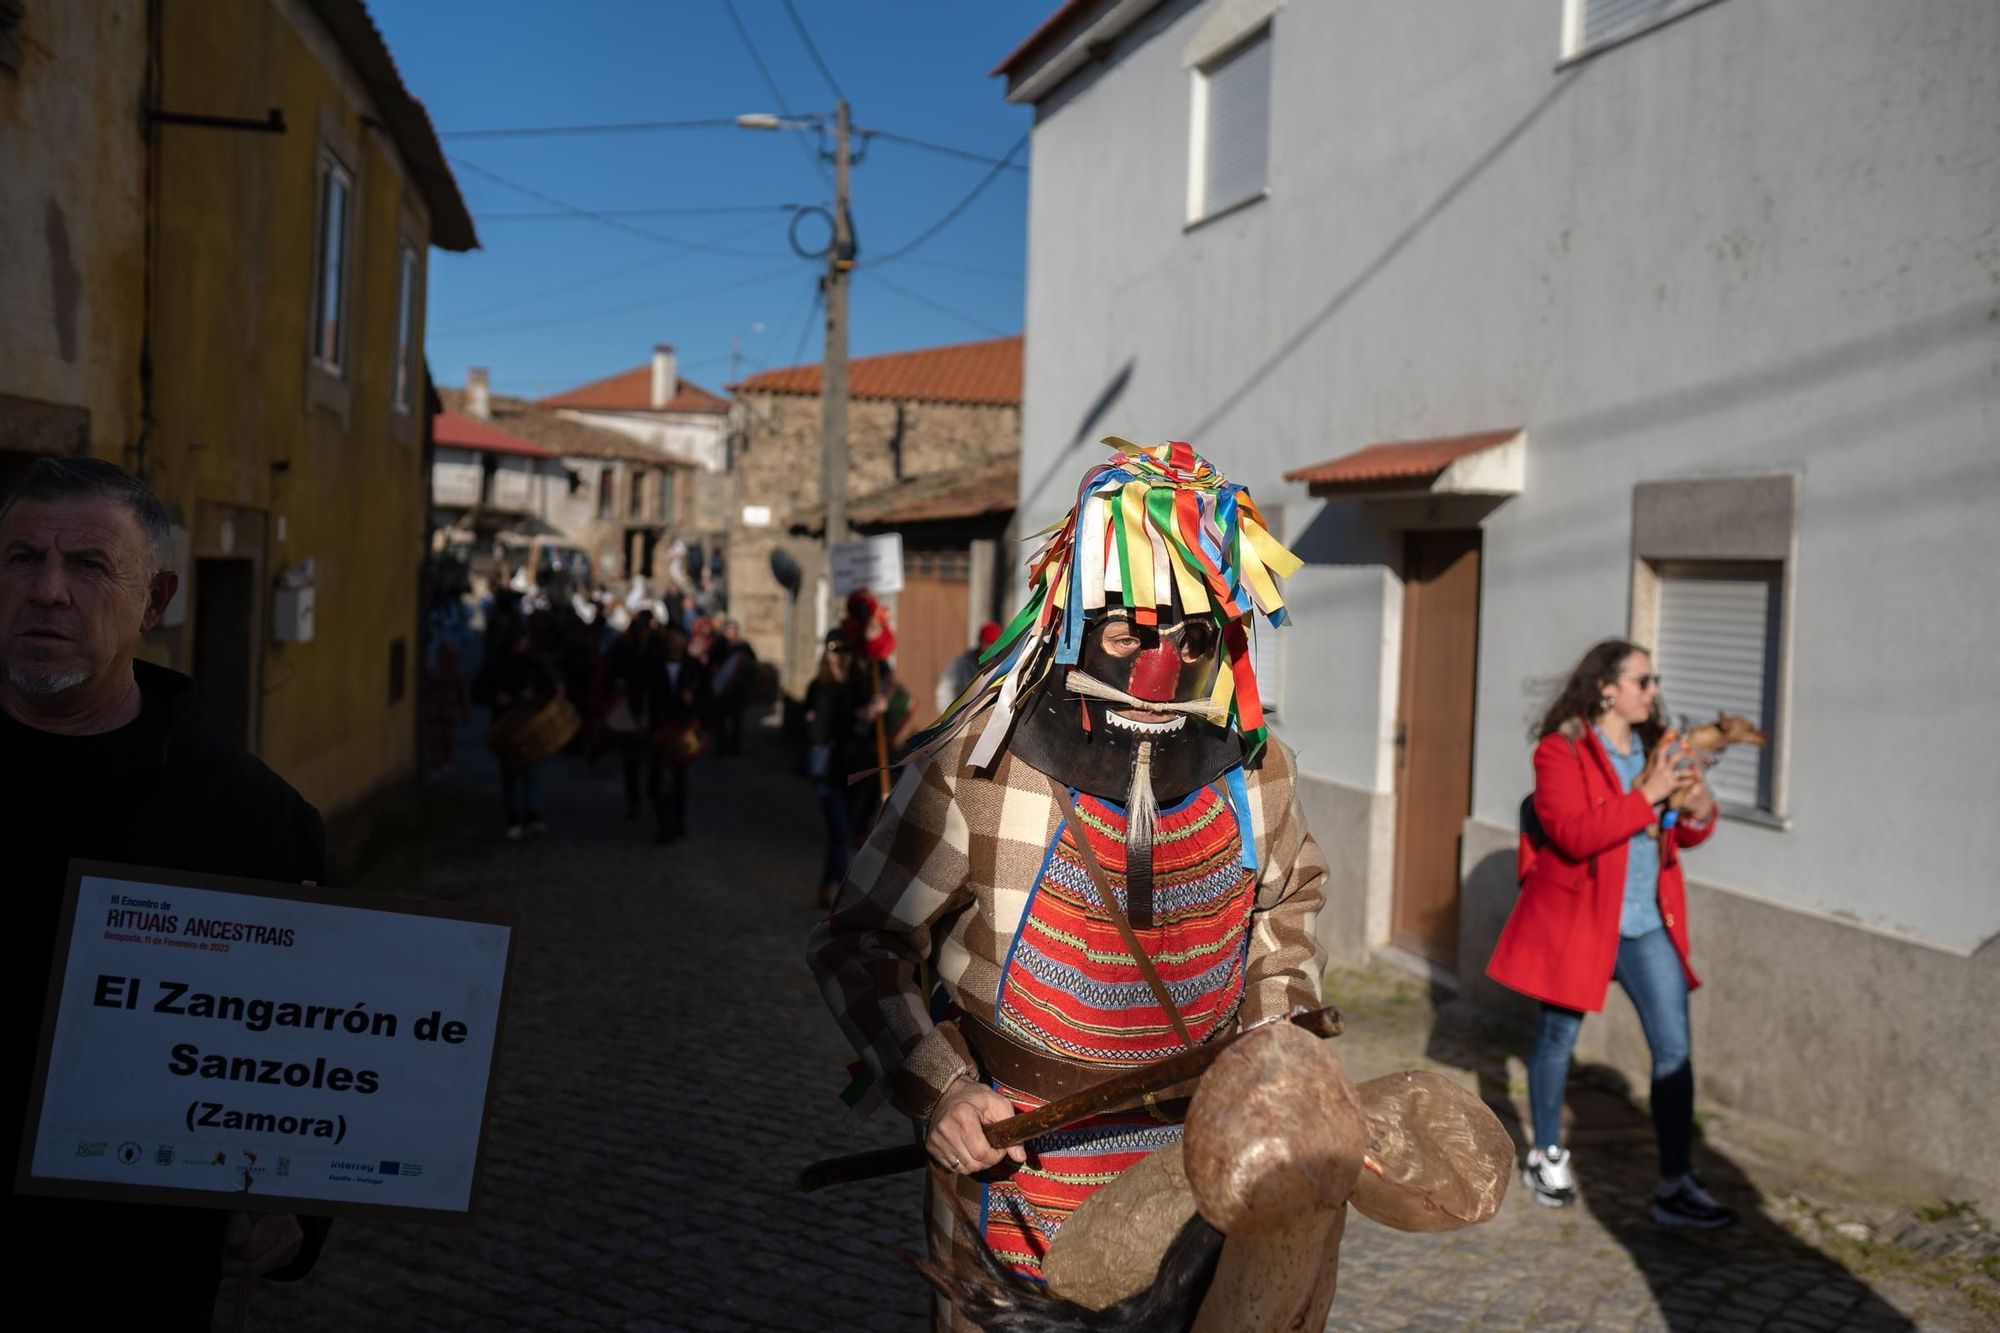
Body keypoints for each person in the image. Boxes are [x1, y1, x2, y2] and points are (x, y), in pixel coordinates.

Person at [807, 441, 1326, 1332]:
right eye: (1128, 630)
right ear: (1078, 616)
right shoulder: (980, 766)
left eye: (1190, 636)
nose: (1157, 666)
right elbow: (862, 940)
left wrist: (1276, 1069)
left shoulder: (1259, 767)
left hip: (1202, 1181)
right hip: (1013, 1186)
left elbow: (1285, 914)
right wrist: (941, 1088)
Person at [0, 458, 331, 1327]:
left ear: (155, 601)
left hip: (116, 1285)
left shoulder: (253, 822)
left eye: (90, 566)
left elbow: (312, 1049)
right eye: (21, 557)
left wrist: (289, 1210)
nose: (48, 591)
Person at [1487, 638, 1736, 1228]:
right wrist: (1646, 794)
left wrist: (1698, 808)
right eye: (1642, 681)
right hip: (1581, 921)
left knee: (1674, 1052)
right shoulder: (1560, 752)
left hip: (1647, 924)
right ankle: (1546, 1156)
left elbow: (1677, 834)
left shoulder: (1655, 748)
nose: (1653, 691)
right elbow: (1574, 835)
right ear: (1607, 688)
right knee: (1557, 1041)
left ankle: (1674, 1183)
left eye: (1652, 682)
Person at [803, 629, 875, 908]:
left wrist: (872, 712)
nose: (840, 655)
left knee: (841, 834)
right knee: (841, 832)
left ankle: (826, 887)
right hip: (828, 773)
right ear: (826, 651)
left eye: (845, 650)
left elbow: (866, 729)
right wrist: (852, 716)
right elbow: (818, 731)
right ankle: (842, 896)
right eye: (834, 648)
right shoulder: (818, 687)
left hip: (856, 772)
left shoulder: (859, 684)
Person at [480, 620, 556, 840]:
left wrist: (536, 695)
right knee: (511, 775)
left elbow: (548, 686)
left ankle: (533, 816)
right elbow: (481, 690)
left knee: (532, 773)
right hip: (506, 726)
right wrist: (498, 697)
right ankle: (513, 818)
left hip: (530, 724)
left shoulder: (533, 664)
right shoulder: (497, 664)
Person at [422, 638, 471, 779]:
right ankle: (439, 765)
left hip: (446, 710)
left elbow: (463, 693)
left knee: (445, 739)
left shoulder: (455, 673)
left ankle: (443, 764)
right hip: (438, 710)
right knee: (437, 739)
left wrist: (465, 709)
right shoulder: (436, 671)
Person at [708, 618, 758, 756]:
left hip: (737, 689)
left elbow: (752, 663)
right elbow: (712, 663)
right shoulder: (719, 645)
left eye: (734, 630)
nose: (732, 632)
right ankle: (721, 747)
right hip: (723, 689)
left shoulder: (743, 646)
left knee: (737, 720)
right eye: (729, 629)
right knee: (720, 720)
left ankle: (734, 748)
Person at [934, 620, 1002, 717]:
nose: (991, 649)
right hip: (961, 722)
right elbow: (944, 694)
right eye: (988, 644)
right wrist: (951, 719)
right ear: (980, 642)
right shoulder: (959, 666)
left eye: (995, 644)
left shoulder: (1003, 667)